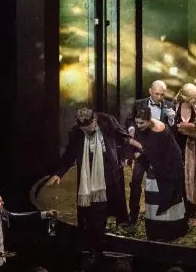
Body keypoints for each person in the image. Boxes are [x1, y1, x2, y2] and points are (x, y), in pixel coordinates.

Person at [47, 107, 135, 258]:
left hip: (107, 173)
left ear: (95, 120)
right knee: (90, 213)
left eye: (89, 129)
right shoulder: (76, 132)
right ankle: (93, 249)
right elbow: (69, 154)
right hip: (87, 177)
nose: (87, 132)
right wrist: (58, 173)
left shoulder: (107, 121)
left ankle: (97, 249)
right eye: (84, 130)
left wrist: (129, 155)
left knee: (101, 211)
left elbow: (123, 138)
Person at [123, 80, 176, 230]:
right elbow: (129, 120)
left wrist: (172, 119)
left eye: (162, 94)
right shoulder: (139, 103)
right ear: (150, 91)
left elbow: (172, 133)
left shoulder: (169, 106)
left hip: (159, 153)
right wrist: (132, 128)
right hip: (141, 151)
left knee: (161, 182)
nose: (159, 97)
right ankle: (133, 216)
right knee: (135, 182)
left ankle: (160, 215)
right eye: (157, 94)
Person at [131, 107, 187, 241]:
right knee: (153, 192)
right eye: (136, 123)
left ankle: (169, 230)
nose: (138, 126)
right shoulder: (146, 127)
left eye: (141, 123)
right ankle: (154, 229)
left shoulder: (159, 129)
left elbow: (153, 151)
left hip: (169, 164)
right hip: (156, 164)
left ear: (149, 120)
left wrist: (136, 145)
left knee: (167, 193)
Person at [173, 83, 196, 219]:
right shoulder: (172, 109)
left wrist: (191, 128)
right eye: (195, 98)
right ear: (185, 97)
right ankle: (177, 208)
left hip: (192, 150)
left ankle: (191, 209)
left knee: (192, 178)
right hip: (175, 148)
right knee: (177, 178)